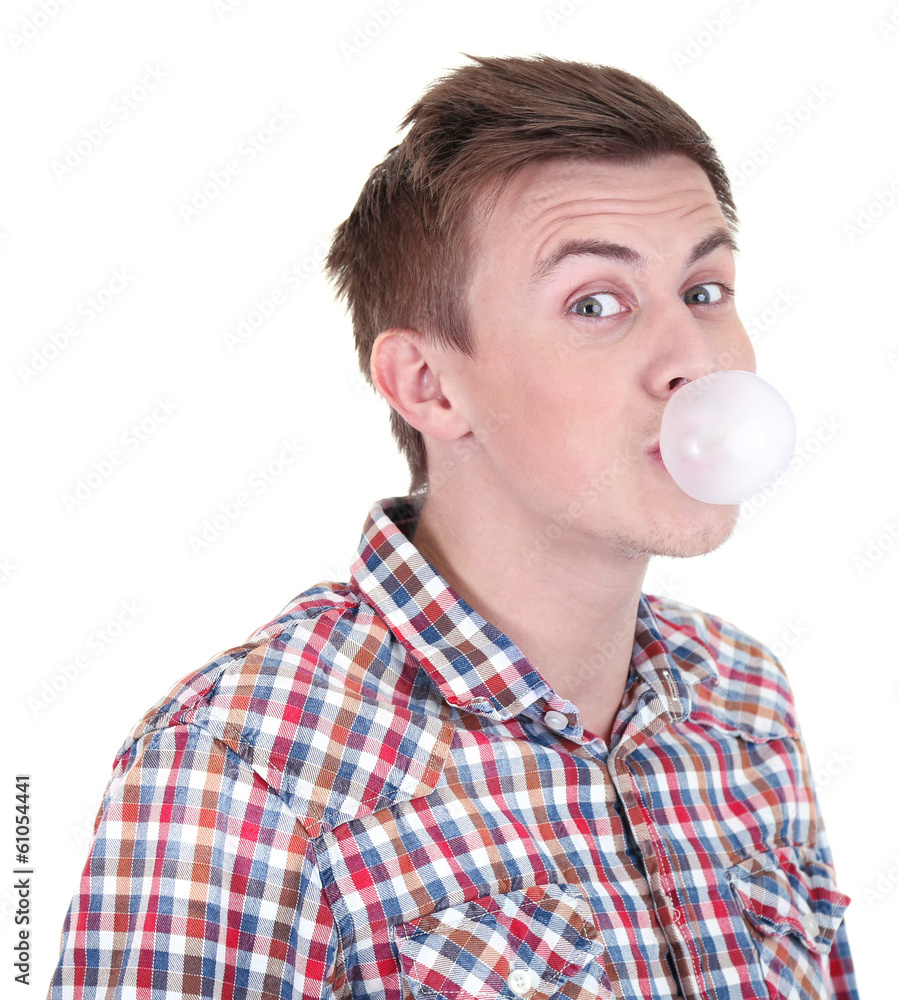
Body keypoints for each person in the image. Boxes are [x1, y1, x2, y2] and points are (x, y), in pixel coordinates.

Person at [48, 54, 857, 1000]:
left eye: (705, 290)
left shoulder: (745, 703)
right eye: (596, 303)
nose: (696, 361)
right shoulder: (240, 768)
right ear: (429, 386)